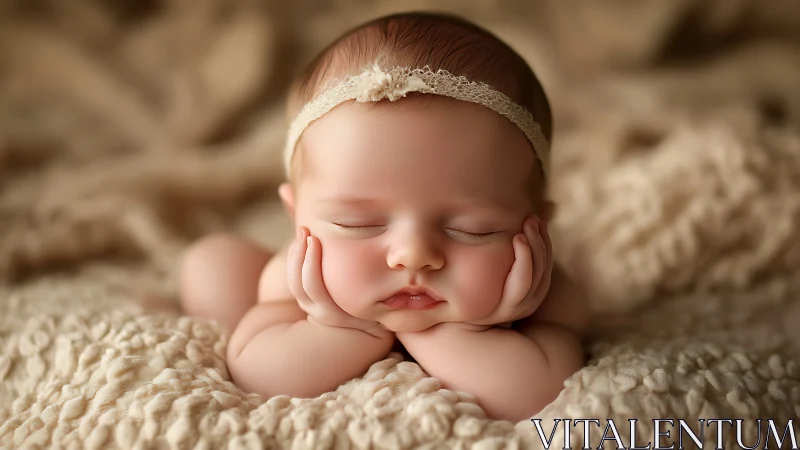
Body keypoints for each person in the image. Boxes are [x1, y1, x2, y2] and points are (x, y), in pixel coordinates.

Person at [179, 11, 588, 422]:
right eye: (358, 225)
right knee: (214, 262)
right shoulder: (292, 281)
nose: (413, 255)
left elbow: (536, 392)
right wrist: (337, 330)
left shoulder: (546, 293)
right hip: (294, 306)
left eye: (472, 230)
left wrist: (466, 333)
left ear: (538, 228)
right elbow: (259, 374)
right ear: (296, 215)